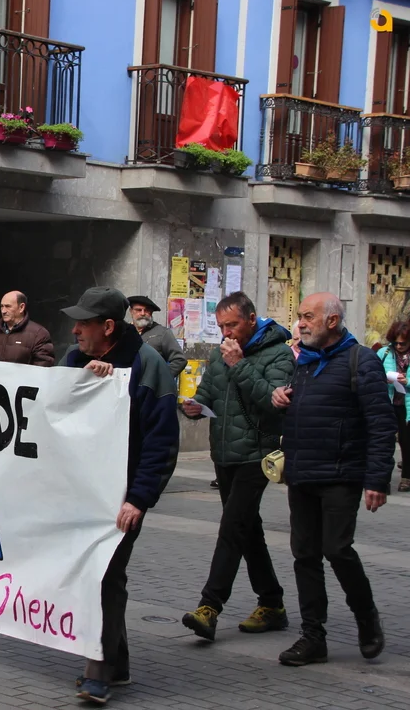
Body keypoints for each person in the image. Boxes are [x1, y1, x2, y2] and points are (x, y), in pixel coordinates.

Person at [61, 287, 179, 705]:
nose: (75, 331)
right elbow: (52, 409)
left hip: (120, 497)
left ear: (108, 327)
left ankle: (98, 672)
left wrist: (139, 499)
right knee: (96, 575)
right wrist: (82, 380)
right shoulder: (74, 359)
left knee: (105, 577)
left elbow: (161, 442)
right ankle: (119, 662)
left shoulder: (148, 366)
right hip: (83, 493)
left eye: (84, 324)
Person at [271, 292, 396, 666]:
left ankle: (366, 617)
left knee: (337, 549)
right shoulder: (304, 362)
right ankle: (313, 636)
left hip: (342, 474)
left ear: (332, 320)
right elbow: (304, 409)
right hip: (302, 473)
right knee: (304, 554)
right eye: (299, 316)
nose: (300, 323)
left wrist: (377, 480)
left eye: (308, 316)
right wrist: (280, 398)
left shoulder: (362, 360)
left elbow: (381, 424)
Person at [180, 292, 293, 641]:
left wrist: (240, 365)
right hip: (224, 453)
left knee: (232, 528)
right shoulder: (221, 353)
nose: (227, 333)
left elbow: (273, 402)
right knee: (247, 529)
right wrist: (194, 406)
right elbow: (208, 393)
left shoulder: (278, 353)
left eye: (232, 325)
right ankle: (271, 603)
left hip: (257, 455)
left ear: (252, 319)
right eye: (221, 327)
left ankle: (209, 606)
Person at [0, 290, 55, 366]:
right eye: (2, 306)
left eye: (8, 306)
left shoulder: (39, 334)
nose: (3, 311)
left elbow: (42, 368)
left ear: (21, 307)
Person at [377, 320, 410, 491]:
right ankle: (383, 479)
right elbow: (372, 373)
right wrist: (384, 378)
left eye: (403, 343)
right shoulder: (384, 353)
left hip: (407, 405)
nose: (398, 346)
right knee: (385, 442)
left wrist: (407, 381)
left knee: (406, 441)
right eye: (395, 343)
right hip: (388, 402)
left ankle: (406, 477)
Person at [127, 295, 187, 378]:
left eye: (147, 310)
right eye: (138, 310)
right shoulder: (124, 332)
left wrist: (160, 379)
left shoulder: (162, 333)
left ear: (151, 313)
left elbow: (180, 360)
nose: (142, 313)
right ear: (131, 311)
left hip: (149, 384)